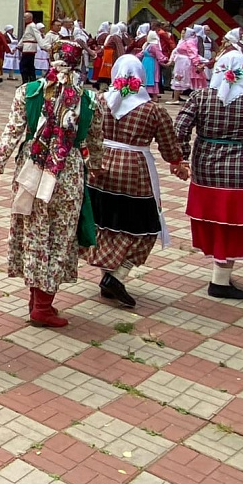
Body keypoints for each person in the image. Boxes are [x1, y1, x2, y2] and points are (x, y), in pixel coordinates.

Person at [0, 41, 107, 327]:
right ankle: (42, 304)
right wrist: (96, 167)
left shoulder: (27, 93)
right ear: (78, 63)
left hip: (31, 169)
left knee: (35, 232)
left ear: (49, 60)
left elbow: (12, 132)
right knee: (59, 236)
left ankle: (36, 300)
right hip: (67, 172)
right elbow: (95, 140)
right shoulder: (89, 100)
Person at [175, 50, 243, 300]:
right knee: (234, 224)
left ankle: (220, 274)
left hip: (206, 172)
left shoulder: (200, 97)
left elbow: (179, 128)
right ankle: (220, 280)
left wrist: (182, 156)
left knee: (217, 222)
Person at [86, 55, 189, 308]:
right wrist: (178, 163)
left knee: (106, 222)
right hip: (135, 171)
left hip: (99, 169)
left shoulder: (99, 102)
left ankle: (107, 279)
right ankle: (117, 276)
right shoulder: (152, 109)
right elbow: (168, 145)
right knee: (144, 225)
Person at [169, 27, 207, 104]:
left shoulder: (190, 42)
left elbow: (193, 53)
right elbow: (175, 51)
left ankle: (195, 99)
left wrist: (197, 63)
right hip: (179, 62)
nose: (182, 34)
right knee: (178, 78)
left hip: (185, 62)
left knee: (185, 79)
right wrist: (171, 59)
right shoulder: (182, 41)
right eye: (182, 33)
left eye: (184, 33)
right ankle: (175, 98)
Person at [141, 30, 167, 97]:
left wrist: (164, 59)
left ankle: (154, 96)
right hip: (148, 63)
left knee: (151, 77)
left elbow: (159, 55)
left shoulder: (153, 46)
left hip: (151, 63)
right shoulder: (148, 45)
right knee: (148, 77)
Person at [17, 13, 42, 82]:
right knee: (29, 65)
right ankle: (30, 80)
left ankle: (26, 81)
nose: (24, 19)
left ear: (30, 18)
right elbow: (24, 37)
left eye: (25, 17)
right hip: (27, 47)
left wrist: (42, 45)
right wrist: (19, 45)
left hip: (29, 48)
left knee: (24, 65)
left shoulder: (32, 26)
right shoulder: (28, 26)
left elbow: (38, 36)